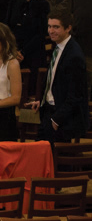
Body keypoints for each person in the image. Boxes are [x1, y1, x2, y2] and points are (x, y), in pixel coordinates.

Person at [26, 10, 89, 144]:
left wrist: (56, 120)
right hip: (50, 110)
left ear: (68, 28)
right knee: (40, 154)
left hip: (61, 119)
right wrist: (43, 100)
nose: (51, 31)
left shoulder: (74, 55)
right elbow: (55, 82)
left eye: (56, 27)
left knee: (56, 160)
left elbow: (76, 95)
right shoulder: (58, 48)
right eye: (49, 26)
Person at [5, 0, 49, 84]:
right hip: (13, 51)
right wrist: (13, 50)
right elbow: (7, 28)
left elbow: (40, 33)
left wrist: (23, 52)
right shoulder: (14, 2)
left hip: (32, 53)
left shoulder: (42, 5)